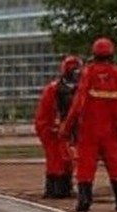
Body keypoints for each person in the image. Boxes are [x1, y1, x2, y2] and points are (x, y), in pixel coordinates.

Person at [60, 37, 117, 212]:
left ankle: (84, 200)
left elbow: (78, 104)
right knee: (115, 164)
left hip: (89, 128)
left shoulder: (89, 73)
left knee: (85, 165)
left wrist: (67, 127)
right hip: (111, 130)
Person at [34, 56, 81, 198]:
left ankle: (64, 186)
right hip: (50, 127)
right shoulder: (54, 89)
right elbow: (48, 111)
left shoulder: (77, 88)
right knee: (57, 159)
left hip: (65, 127)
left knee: (67, 159)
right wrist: (55, 126)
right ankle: (56, 189)